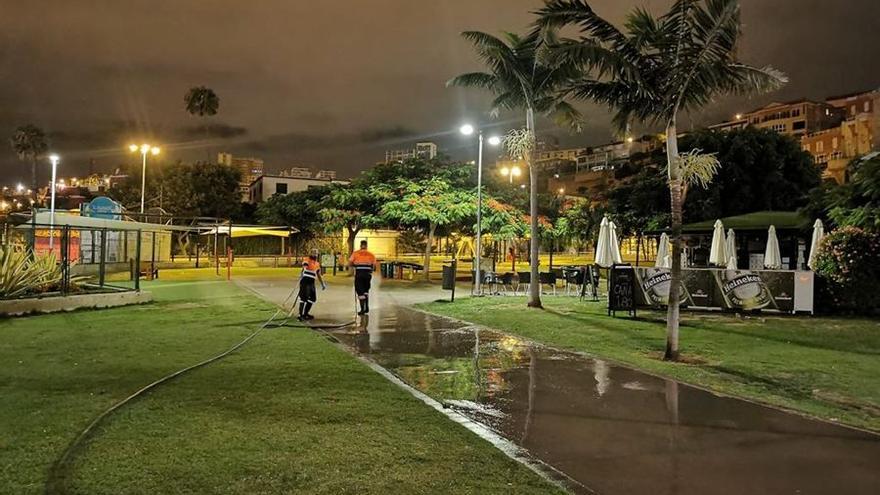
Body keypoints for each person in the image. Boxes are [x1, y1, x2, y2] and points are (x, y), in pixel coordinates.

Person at [349, 240, 377, 315]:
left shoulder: (356, 253)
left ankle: (362, 309)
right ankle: (366, 307)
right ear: (366, 245)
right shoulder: (371, 254)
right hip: (368, 275)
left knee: (360, 291)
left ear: (360, 245)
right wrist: (370, 269)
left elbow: (350, 262)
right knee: (366, 290)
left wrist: (355, 265)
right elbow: (374, 266)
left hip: (359, 274)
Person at [297, 251, 326, 321]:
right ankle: (300, 315)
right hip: (305, 281)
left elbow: (318, 274)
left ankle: (306, 313)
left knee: (313, 298)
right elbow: (304, 265)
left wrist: (322, 284)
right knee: (304, 297)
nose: (315, 254)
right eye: (313, 253)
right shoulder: (307, 260)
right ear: (310, 254)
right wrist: (304, 267)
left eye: (316, 253)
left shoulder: (317, 264)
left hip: (312, 282)